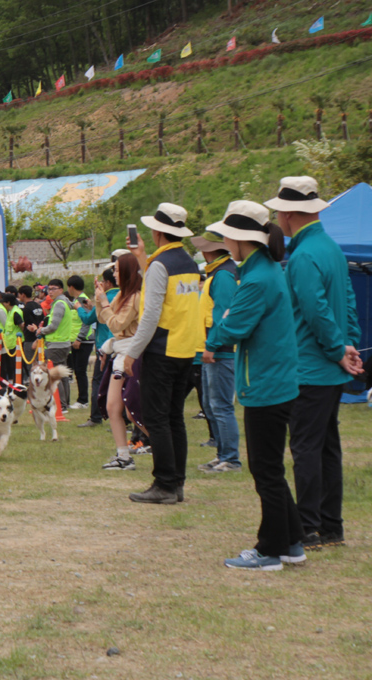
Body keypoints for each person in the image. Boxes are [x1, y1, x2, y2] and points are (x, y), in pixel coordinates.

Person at [203, 201, 304, 570]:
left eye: (226, 234)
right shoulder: (263, 270)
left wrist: (214, 337)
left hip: (266, 383)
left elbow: (232, 327)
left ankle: (270, 550)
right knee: (270, 468)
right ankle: (292, 543)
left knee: (265, 470)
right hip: (273, 379)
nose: (224, 240)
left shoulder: (258, 278)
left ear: (239, 238)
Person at [267, 176, 363, 549]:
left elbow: (314, 310)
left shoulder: (304, 255)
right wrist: (348, 343)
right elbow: (347, 302)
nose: (277, 214)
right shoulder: (331, 249)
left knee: (306, 448)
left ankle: (308, 526)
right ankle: (331, 525)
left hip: (310, 365)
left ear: (290, 213)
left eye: (278, 209)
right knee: (326, 447)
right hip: (330, 365)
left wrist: (339, 348)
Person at [122, 203, 201, 505]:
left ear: (157, 231)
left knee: (156, 419)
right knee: (174, 418)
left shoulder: (161, 265)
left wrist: (132, 352)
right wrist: (143, 257)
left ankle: (164, 484)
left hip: (161, 350)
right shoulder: (189, 262)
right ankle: (176, 482)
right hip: (184, 350)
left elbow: (151, 313)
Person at [190, 230, 241, 473]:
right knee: (212, 406)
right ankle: (223, 455)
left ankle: (230, 458)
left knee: (220, 405)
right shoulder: (219, 272)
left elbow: (224, 314)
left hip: (220, 350)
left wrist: (212, 346)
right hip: (212, 348)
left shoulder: (222, 275)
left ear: (210, 250)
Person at [95, 254, 143, 470]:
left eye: (115, 270)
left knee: (134, 409)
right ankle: (123, 456)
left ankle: (165, 451)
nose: (113, 274)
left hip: (132, 354)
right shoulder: (122, 295)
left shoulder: (135, 297)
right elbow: (103, 318)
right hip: (120, 354)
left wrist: (104, 303)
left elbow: (116, 324)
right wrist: (100, 300)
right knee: (113, 406)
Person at [78, 266, 117, 428]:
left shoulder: (105, 297)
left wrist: (79, 308)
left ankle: (96, 417)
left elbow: (88, 319)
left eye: (103, 281)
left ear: (108, 282)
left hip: (105, 346)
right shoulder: (127, 295)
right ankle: (122, 418)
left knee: (98, 382)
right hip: (122, 346)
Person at [30, 279, 75, 408]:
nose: (50, 291)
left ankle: (61, 404)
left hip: (57, 343)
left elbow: (53, 326)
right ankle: (65, 403)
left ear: (61, 289)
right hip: (62, 343)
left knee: (54, 375)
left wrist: (40, 330)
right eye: (49, 289)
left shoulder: (59, 303)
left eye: (54, 289)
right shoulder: (62, 302)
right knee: (62, 374)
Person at [66, 275, 94, 410]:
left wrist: (79, 339)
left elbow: (86, 321)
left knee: (80, 370)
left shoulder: (83, 300)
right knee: (78, 370)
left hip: (84, 341)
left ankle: (83, 400)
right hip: (78, 340)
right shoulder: (78, 300)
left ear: (71, 287)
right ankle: (81, 399)